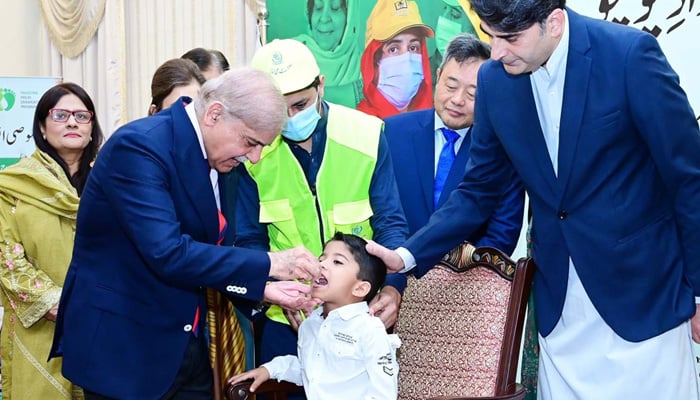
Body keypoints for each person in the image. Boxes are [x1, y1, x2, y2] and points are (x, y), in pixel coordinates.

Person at [367, 1, 700, 399]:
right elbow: (478, 190)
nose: (497, 52)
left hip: (644, 293)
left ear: (554, 22)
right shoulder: (496, 80)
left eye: (510, 38)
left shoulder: (629, 55)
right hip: (559, 303)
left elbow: (688, 178)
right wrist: (407, 254)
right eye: (490, 36)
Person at [48, 67, 322, 400]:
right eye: (250, 142)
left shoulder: (219, 157)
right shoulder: (139, 148)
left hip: (181, 341)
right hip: (123, 348)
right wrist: (270, 263)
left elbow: (206, 253)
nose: (254, 157)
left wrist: (263, 289)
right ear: (215, 114)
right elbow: (169, 252)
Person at [239, 38, 408, 386]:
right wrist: (278, 287)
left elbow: (390, 224)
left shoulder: (365, 135)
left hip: (360, 319)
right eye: (277, 110)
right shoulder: (251, 155)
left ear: (320, 86)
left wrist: (393, 287)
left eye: (300, 104)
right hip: (287, 321)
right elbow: (248, 242)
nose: (291, 118)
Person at [0, 82, 104, 399]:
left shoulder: (114, 182)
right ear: (42, 128)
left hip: (107, 324)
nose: (72, 122)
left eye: (81, 116)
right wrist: (64, 306)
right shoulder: (13, 185)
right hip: (41, 329)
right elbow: (7, 259)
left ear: (92, 127)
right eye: (60, 115)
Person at [384, 33, 523, 267]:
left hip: (464, 285)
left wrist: (458, 276)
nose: (458, 100)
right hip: (391, 276)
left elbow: (502, 232)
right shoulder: (390, 132)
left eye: (472, 94)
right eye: (451, 85)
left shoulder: (504, 150)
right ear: (438, 76)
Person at [228, 232, 400, 400]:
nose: (322, 265)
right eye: (321, 259)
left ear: (360, 289)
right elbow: (309, 371)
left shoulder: (370, 329)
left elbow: (384, 392)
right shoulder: (310, 324)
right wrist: (270, 370)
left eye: (337, 261)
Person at [357, 0, 434, 119]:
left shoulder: (435, 120)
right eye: (393, 49)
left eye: (413, 48)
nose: (407, 59)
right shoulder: (361, 124)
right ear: (374, 61)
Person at [292, 0, 364, 108]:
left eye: (335, 8)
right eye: (318, 7)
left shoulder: (368, 68)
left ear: (350, 17)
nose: (324, 19)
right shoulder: (291, 57)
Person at [429, 0, 480, 86]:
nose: (444, 18)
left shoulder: (485, 79)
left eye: (455, 13)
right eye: (445, 8)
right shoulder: (425, 71)